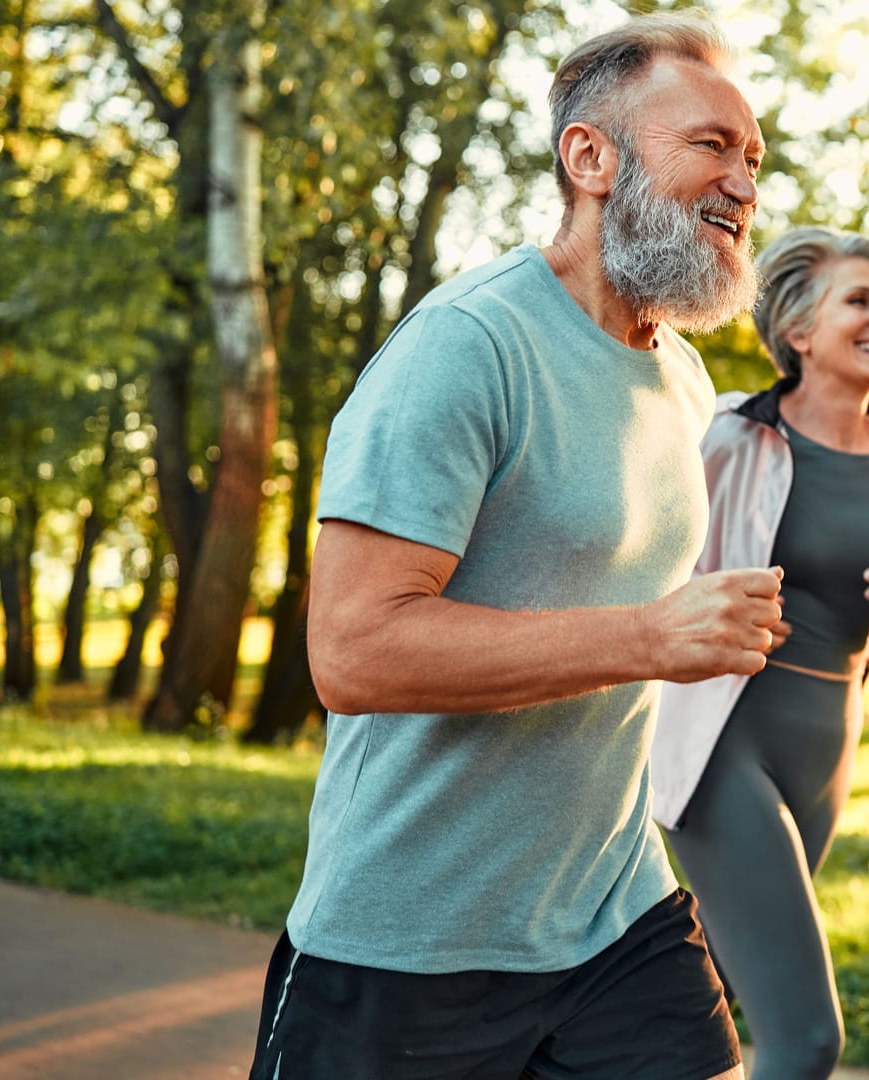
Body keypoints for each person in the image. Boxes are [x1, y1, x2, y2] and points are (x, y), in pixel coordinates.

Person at [247, 13, 780, 1079]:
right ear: (591, 158)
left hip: (614, 911)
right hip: (411, 937)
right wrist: (647, 637)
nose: (744, 185)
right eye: (712, 147)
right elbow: (353, 652)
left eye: (755, 159)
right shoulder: (467, 347)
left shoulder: (680, 379)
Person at [650, 225, 869, 1080]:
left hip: (826, 746)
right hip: (724, 742)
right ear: (798, 331)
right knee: (807, 1039)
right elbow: (647, 563)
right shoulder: (725, 435)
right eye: (860, 300)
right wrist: (708, 611)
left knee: (708, 997)